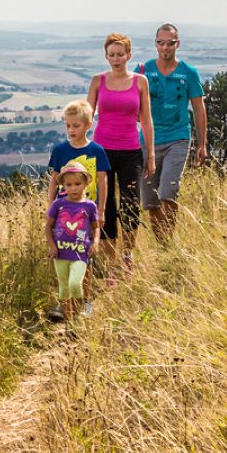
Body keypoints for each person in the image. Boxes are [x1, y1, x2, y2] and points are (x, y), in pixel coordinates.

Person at [87, 32, 154, 278]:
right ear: (106, 56)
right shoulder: (97, 81)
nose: (116, 59)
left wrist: (151, 155)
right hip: (101, 151)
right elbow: (87, 116)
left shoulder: (140, 82)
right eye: (111, 55)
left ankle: (127, 255)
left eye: (120, 54)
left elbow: (146, 119)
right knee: (105, 206)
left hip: (131, 151)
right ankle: (111, 262)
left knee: (131, 205)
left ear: (129, 55)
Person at [139, 23, 207, 241]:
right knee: (150, 199)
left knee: (169, 191)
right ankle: (162, 243)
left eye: (170, 43)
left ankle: (168, 239)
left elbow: (198, 107)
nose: (165, 47)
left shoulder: (189, 73)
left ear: (178, 44)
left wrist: (202, 143)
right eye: (161, 43)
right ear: (155, 43)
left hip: (178, 137)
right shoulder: (143, 71)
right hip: (148, 140)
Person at [46, 100, 110, 320]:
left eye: (76, 126)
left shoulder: (97, 151)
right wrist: (49, 208)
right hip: (63, 215)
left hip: (87, 214)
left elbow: (102, 181)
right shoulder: (60, 151)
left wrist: (101, 210)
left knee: (85, 260)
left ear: (88, 125)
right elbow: (54, 181)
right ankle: (63, 303)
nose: (71, 131)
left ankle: (86, 301)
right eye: (68, 126)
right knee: (61, 257)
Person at [45, 161, 100, 321]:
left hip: (80, 253)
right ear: (63, 186)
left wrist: (95, 242)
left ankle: (78, 313)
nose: (73, 188)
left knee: (75, 284)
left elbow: (95, 227)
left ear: (85, 184)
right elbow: (48, 227)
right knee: (63, 289)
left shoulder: (90, 206)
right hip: (60, 253)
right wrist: (52, 246)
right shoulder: (58, 204)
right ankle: (70, 323)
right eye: (68, 184)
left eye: (77, 183)